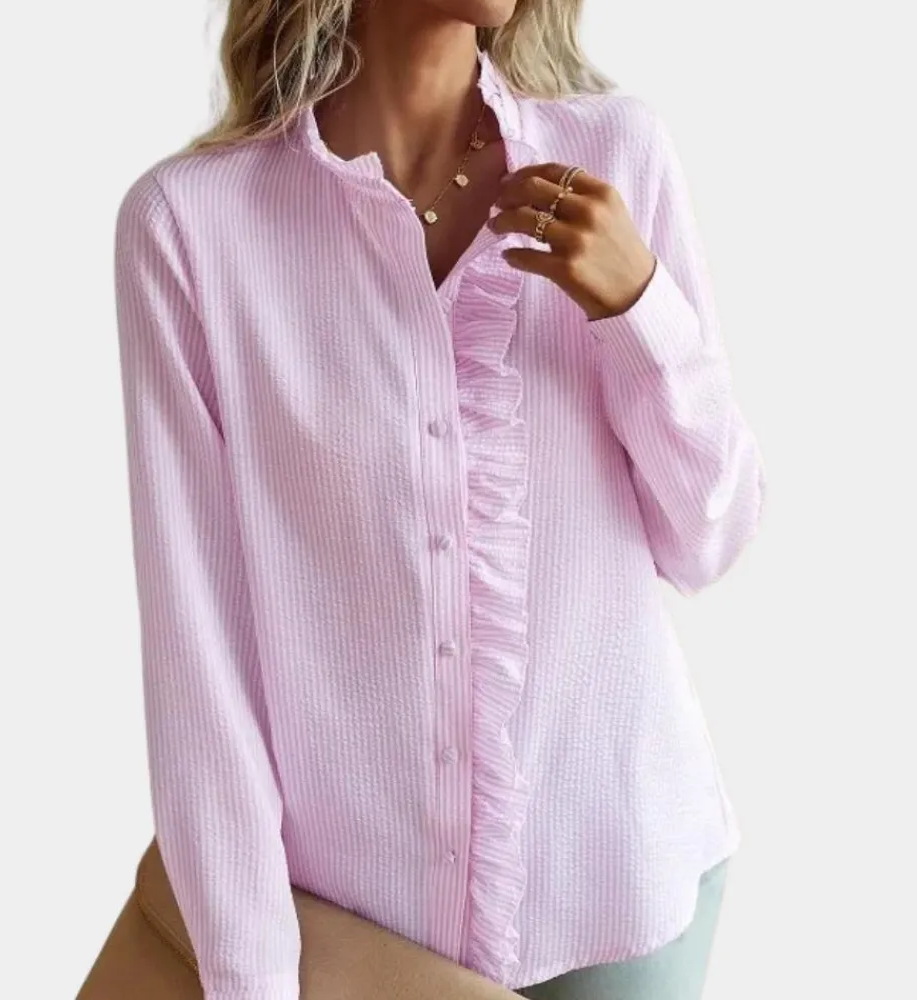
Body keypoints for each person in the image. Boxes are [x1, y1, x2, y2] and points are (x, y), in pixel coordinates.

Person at [111, 2, 765, 999]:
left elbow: (708, 539)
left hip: (616, 895)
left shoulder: (616, 156)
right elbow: (199, 662)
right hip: (356, 932)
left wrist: (639, 308)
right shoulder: (192, 228)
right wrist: (250, 976)